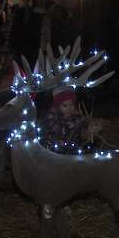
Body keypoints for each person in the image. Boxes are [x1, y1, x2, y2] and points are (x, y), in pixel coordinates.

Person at [39, 86, 89, 214]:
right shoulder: (51, 119)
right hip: (55, 156)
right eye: (65, 105)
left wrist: (91, 129)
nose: (69, 109)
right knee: (56, 181)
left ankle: (66, 204)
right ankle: (53, 203)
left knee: (69, 181)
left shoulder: (77, 118)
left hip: (71, 156)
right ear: (57, 106)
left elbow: (83, 131)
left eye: (71, 104)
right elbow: (45, 135)